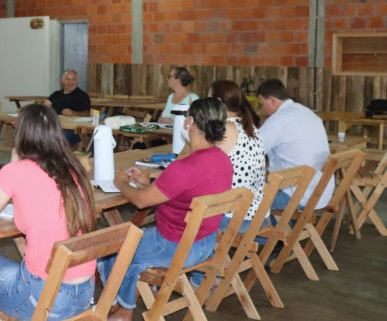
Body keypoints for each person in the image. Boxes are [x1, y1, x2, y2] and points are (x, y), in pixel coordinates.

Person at [0, 104, 96, 321]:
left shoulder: (15, 171)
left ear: (21, 134)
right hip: (85, 294)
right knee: (24, 259)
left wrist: (13, 164)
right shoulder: (74, 167)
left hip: (44, 300)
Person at [99, 98, 232, 321]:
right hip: (205, 243)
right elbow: (182, 190)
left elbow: (141, 202)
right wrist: (147, 181)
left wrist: (121, 183)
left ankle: (123, 309)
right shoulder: (222, 160)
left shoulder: (184, 167)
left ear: (190, 123)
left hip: (174, 246)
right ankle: (135, 294)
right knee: (130, 241)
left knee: (111, 248)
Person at [257, 79, 333, 211]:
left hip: (297, 193)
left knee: (242, 198)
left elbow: (252, 150)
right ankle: (279, 230)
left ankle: (266, 231)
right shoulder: (307, 112)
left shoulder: (278, 119)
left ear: (272, 100)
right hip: (320, 189)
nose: (262, 109)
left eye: (262, 104)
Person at [207, 80, 266, 232]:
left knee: (183, 211)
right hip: (258, 213)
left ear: (217, 102)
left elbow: (199, 164)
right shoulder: (249, 126)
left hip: (234, 216)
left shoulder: (225, 129)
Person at [45, 69, 91, 146]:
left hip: (73, 129)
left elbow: (87, 113)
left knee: (57, 138)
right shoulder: (56, 94)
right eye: (67, 79)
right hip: (55, 126)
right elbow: (44, 106)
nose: (70, 82)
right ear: (62, 81)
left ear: (77, 81)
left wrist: (74, 113)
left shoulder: (82, 95)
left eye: (73, 79)